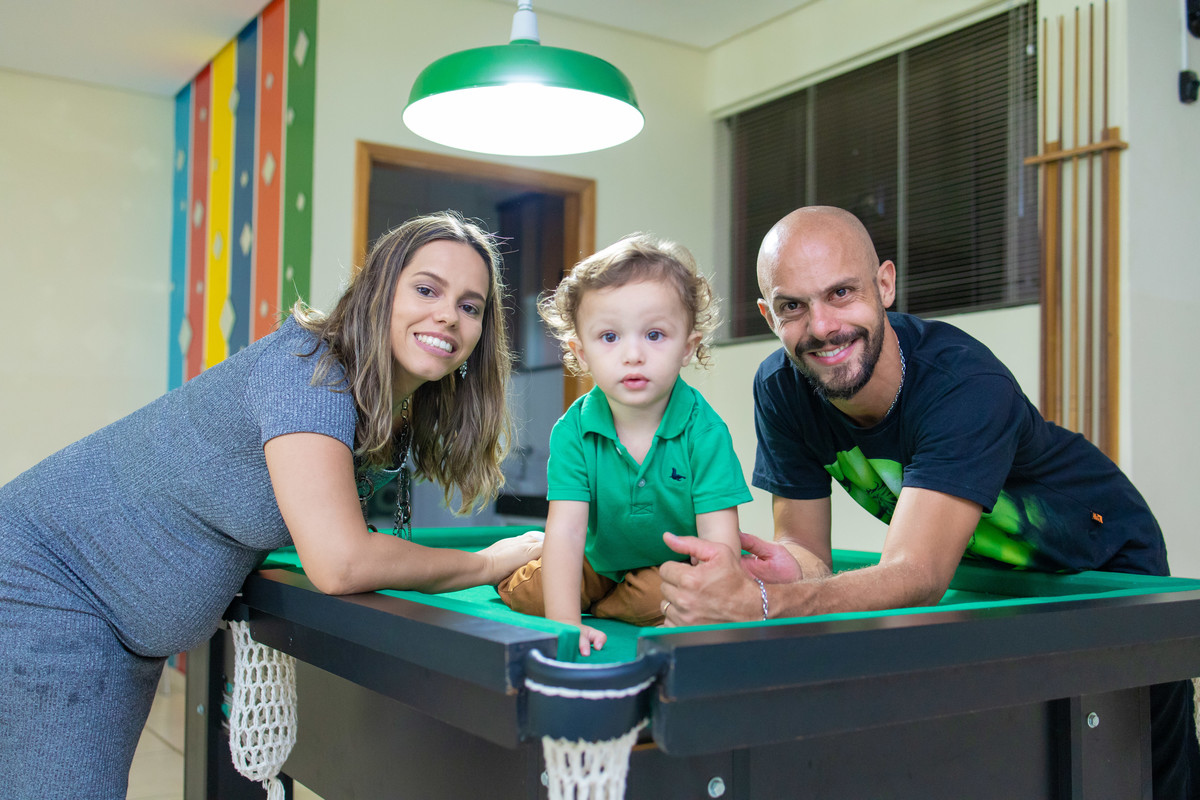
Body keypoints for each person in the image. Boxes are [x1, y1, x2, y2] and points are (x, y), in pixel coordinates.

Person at [656, 205, 1199, 798]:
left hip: (1103, 556)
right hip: (986, 577)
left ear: (885, 285)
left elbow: (917, 574)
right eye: (793, 306)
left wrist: (762, 604)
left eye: (841, 293)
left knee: (1145, 761)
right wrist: (783, 572)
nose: (823, 326)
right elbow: (806, 551)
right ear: (768, 315)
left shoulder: (963, 384)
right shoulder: (781, 388)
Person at [0, 211, 543, 797]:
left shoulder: (376, 405)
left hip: (107, 621)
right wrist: (487, 563)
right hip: (47, 584)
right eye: (427, 290)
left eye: (470, 306)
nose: (448, 315)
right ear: (378, 291)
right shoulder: (310, 371)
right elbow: (339, 562)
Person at [497, 234, 751, 655]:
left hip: (665, 568)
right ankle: (517, 564)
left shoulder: (705, 432)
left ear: (688, 347)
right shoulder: (573, 430)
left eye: (655, 334)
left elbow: (719, 544)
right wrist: (566, 625)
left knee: (665, 600)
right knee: (536, 596)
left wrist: (713, 607)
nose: (633, 354)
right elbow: (568, 529)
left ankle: (606, 605)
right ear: (581, 352)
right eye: (610, 337)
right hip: (595, 559)